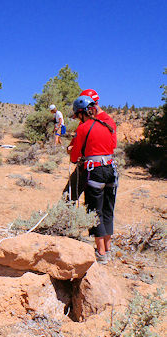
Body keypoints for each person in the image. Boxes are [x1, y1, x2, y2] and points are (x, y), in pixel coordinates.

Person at [69, 96, 118, 264]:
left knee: (94, 211)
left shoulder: (83, 128)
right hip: (111, 170)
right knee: (107, 210)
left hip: (94, 171)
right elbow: (111, 146)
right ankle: (109, 249)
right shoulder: (106, 125)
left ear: (81, 113)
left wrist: (72, 152)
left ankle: (101, 253)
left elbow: (75, 156)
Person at [63, 89, 113, 202]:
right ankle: (66, 218)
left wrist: (77, 153)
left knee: (90, 204)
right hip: (91, 165)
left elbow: (111, 146)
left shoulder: (105, 121)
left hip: (93, 166)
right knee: (70, 197)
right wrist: (72, 147)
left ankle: (68, 217)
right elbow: (77, 140)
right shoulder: (86, 120)